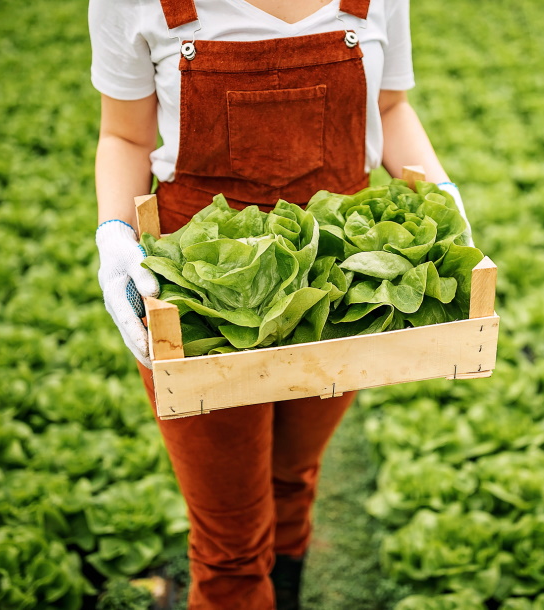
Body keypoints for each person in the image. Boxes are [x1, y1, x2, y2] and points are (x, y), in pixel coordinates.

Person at [89, 0, 470, 607]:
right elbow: (124, 135)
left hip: (339, 286)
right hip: (202, 295)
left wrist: (441, 192)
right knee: (229, 542)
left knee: (294, 478)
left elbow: (392, 107)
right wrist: (115, 234)